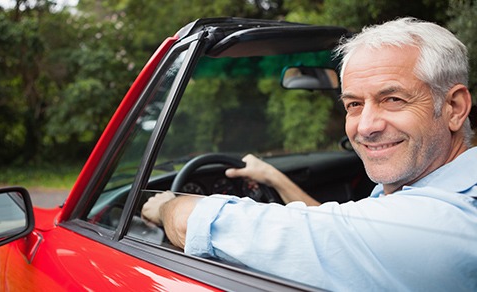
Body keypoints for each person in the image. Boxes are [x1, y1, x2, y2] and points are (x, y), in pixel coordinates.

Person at [142, 17, 477, 291]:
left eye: (393, 100)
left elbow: (198, 225)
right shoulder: (435, 189)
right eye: (354, 104)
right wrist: (273, 178)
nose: (366, 126)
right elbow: (336, 229)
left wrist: (168, 206)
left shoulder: (444, 221)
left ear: (453, 107)